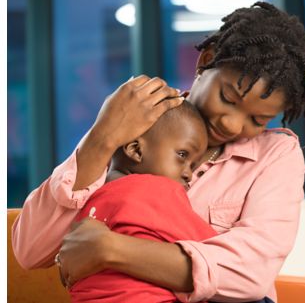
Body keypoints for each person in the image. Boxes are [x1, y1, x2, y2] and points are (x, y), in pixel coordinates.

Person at [12, 1, 305, 302]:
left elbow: (249, 276)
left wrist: (110, 249)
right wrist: (101, 139)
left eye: (257, 120)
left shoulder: (275, 155)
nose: (232, 124)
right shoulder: (139, 121)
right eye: (228, 97)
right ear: (204, 62)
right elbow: (30, 251)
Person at [68, 100, 218, 302]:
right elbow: (212, 251)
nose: (188, 174)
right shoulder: (159, 190)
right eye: (182, 155)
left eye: (193, 164)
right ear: (136, 150)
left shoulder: (89, 194)